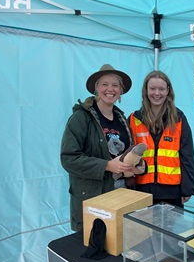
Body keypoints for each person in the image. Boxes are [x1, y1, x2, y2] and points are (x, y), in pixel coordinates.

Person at [60, 64, 145, 232]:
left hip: (121, 192)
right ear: (96, 88)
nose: (110, 89)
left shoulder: (122, 119)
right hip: (94, 196)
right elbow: (68, 159)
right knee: (95, 246)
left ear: (121, 91)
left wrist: (136, 166)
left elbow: (124, 154)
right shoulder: (81, 118)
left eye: (115, 85)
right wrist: (106, 165)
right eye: (105, 84)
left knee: (118, 243)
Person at [129, 70, 194, 207]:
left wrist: (187, 189)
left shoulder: (179, 119)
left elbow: (187, 156)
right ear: (145, 90)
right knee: (142, 228)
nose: (157, 93)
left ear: (168, 91)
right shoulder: (134, 119)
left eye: (161, 89)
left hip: (172, 191)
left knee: (171, 229)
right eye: (152, 88)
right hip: (141, 190)